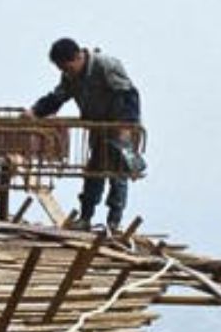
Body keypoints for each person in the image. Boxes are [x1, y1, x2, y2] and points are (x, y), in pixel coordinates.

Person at [24, 37, 141, 231]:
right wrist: (36, 111)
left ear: (78, 57)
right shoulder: (70, 76)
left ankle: (114, 222)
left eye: (68, 68)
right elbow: (58, 97)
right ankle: (86, 217)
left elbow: (129, 95)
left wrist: (126, 128)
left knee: (118, 173)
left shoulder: (106, 66)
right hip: (98, 128)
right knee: (94, 171)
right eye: (62, 69)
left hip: (120, 128)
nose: (66, 73)